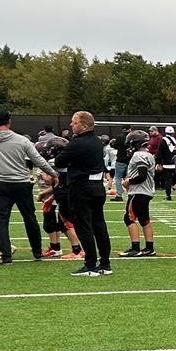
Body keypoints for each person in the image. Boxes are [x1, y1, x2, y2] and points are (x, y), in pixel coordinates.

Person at [62, 112, 113, 276]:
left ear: (83, 125)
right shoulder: (97, 142)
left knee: (83, 225)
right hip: (97, 186)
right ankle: (105, 263)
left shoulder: (77, 143)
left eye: (74, 122)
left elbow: (59, 161)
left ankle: (90, 265)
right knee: (99, 224)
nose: (71, 125)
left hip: (82, 187)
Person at [119, 131, 158, 256]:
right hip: (146, 191)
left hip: (138, 191)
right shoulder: (149, 155)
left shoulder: (138, 155)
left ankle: (135, 248)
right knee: (144, 219)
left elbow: (142, 175)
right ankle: (149, 248)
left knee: (129, 218)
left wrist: (127, 181)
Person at [153, 125, 176, 200]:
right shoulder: (175, 140)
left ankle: (168, 195)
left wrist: (158, 162)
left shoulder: (163, 141)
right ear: (173, 133)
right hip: (175, 163)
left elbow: (159, 153)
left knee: (168, 181)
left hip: (167, 164)